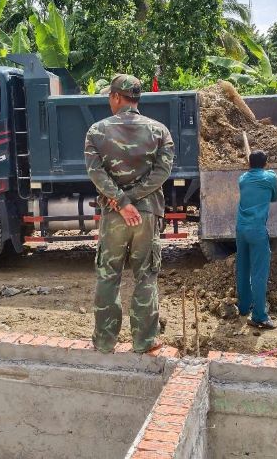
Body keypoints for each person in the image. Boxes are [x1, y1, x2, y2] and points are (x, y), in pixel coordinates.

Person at [84, 74, 175, 353]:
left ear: (115, 96)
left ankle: (104, 342)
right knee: (145, 276)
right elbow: (163, 172)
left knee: (108, 276)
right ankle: (144, 341)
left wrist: (122, 201)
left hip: (114, 215)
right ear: (137, 98)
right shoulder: (159, 131)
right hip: (146, 214)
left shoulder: (97, 131)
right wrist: (133, 199)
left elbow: (96, 173)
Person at [235, 150, 277, 329]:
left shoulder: (242, 179)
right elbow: (274, 197)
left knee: (243, 268)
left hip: (241, 229)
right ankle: (259, 316)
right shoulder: (270, 178)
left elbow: (250, 178)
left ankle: (244, 307)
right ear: (266, 163)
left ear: (249, 163)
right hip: (257, 230)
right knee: (259, 273)